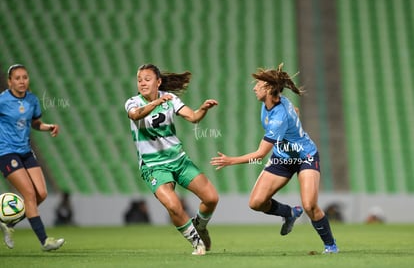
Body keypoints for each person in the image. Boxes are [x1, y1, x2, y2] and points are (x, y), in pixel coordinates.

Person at [210, 63, 338, 254]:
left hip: (305, 156)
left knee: (310, 205)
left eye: (258, 85)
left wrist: (231, 161)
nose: (254, 88)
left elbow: (260, 155)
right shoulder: (271, 102)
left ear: (268, 88)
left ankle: (330, 246)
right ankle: (289, 213)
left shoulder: (279, 117)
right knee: (256, 202)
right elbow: (295, 110)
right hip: (282, 158)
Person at [124, 64, 219, 255]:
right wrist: (156, 103)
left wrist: (203, 109)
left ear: (158, 82)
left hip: (179, 160)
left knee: (211, 198)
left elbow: (193, 117)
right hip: (153, 166)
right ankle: (196, 242)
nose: (142, 83)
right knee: (174, 206)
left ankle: (200, 226)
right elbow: (135, 115)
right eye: (140, 79)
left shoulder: (170, 98)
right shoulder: (133, 102)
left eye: (147, 79)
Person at [0, 64, 65, 251]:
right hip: (6, 152)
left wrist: (48, 127)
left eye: (25, 77)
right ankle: (45, 241)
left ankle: (9, 222)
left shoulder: (32, 100)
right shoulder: (2, 100)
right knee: (28, 194)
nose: (22, 81)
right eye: (17, 78)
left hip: (25, 151)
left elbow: (35, 123)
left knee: (41, 194)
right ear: (9, 81)